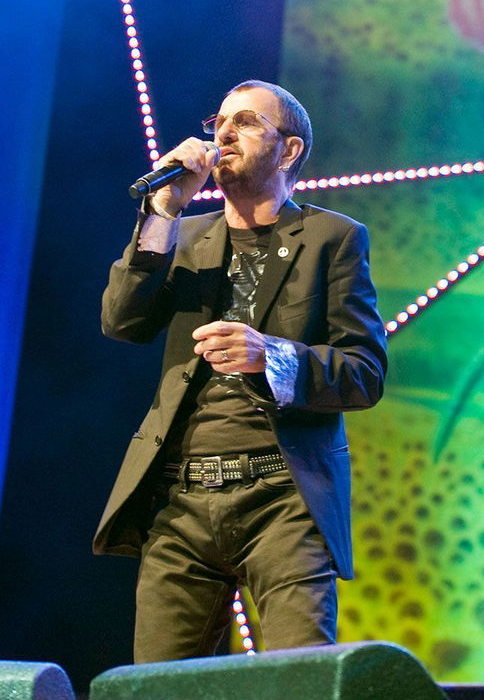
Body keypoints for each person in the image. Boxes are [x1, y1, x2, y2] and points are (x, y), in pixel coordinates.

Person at [95, 80, 388, 661]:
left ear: (289, 150)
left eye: (247, 122)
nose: (223, 134)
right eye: (219, 122)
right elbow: (121, 322)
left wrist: (273, 356)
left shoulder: (333, 238)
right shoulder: (183, 238)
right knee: (156, 687)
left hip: (282, 496)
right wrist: (163, 210)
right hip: (180, 499)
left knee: (298, 678)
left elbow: (364, 372)